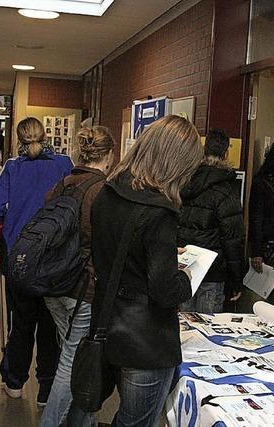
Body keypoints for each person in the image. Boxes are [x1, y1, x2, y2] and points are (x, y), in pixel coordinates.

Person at [88, 115, 203, 426]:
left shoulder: (108, 192)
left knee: (125, 416)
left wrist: (161, 253)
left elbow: (116, 252)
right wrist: (186, 276)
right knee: (138, 422)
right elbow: (165, 290)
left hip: (109, 323)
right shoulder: (159, 211)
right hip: (145, 341)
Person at [0, 117, 72, 404]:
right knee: (50, 325)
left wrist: (4, 239)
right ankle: (47, 388)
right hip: (54, 258)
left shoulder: (13, 167)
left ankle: (14, 382)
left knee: (21, 324)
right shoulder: (63, 164)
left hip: (20, 258)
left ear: (18, 139)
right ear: (45, 135)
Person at [41, 126, 115, 427]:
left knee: (72, 356)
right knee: (73, 361)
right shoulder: (103, 192)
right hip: (82, 288)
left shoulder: (61, 184)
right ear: (109, 156)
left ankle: (83, 422)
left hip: (53, 284)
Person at [177, 128, 246, 313]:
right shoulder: (226, 189)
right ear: (226, 154)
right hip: (212, 272)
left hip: (184, 268)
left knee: (182, 327)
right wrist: (236, 280)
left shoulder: (184, 182)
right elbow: (232, 239)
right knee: (207, 329)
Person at [246, 136, 274, 305]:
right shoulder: (261, 183)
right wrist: (256, 252)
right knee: (261, 292)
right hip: (266, 246)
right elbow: (255, 218)